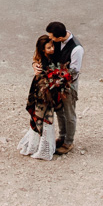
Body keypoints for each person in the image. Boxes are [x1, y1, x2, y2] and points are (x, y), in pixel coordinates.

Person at [17, 35, 70, 160]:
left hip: (46, 91)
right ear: (43, 49)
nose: (52, 49)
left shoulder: (49, 56)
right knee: (43, 117)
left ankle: (40, 146)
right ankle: (42, 148)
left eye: (52, 46)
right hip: (42, 93)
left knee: (43, 117)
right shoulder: (43, 62)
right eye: (49, 47)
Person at [44, 21, 82, 154]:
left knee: (69, 113)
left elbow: (74, 71)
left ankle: (69, 142)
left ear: (60, 38)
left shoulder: (76, 48)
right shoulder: (56, 40)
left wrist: (59, 81)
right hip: (56, 83)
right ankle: (62, 137)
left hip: (68, 86)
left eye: (53, 38)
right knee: (60, 111)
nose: (51, 39)